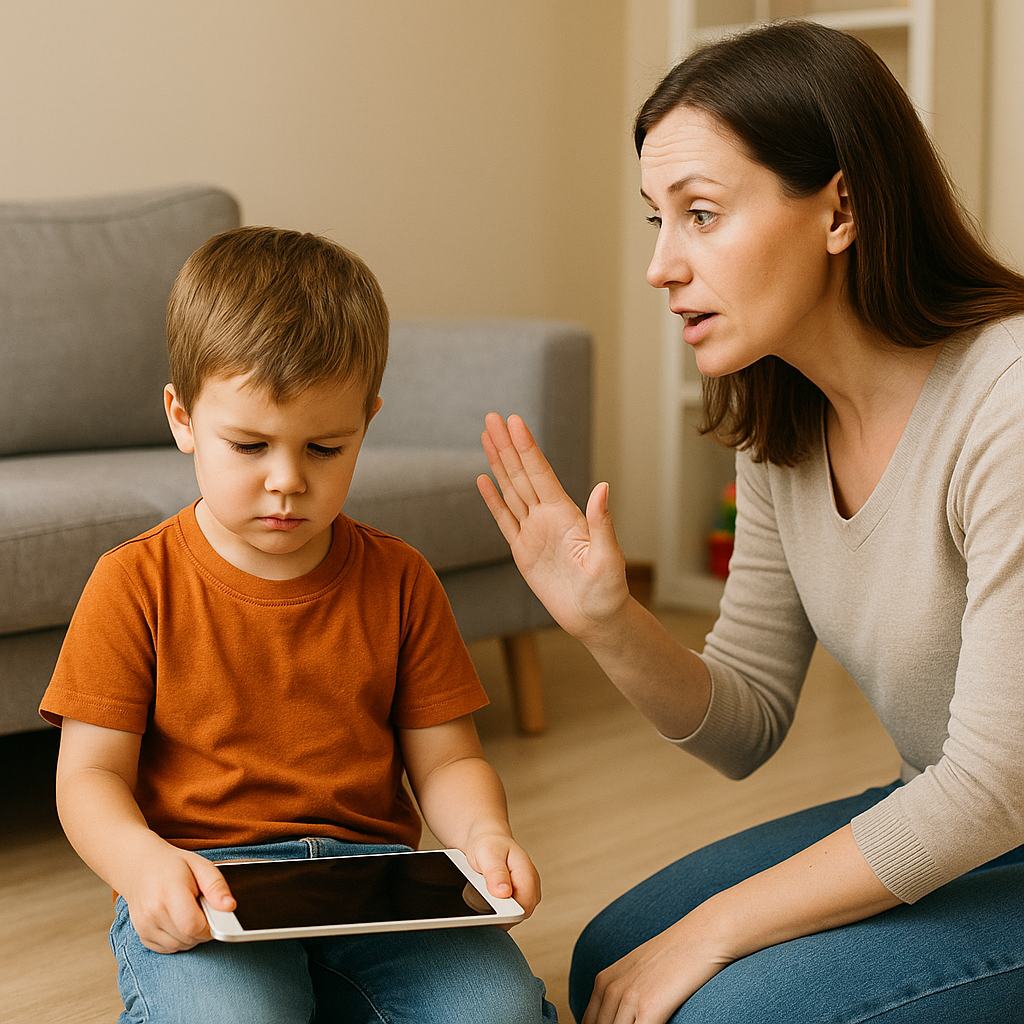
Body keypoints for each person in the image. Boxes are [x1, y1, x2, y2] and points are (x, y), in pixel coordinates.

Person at [478, 19, 1024, 1024]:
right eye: (657, 219)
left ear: (840, 209)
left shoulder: (1008, 402)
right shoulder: (785, 414)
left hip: (997, 818)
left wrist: (715, 927)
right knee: (614, 950)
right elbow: (745, 723)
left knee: (718, 1004)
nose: (661, 266)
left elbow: (993, 787)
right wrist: (606, 618)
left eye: (700, 214)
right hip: (968, 823)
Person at [40, 225, 556, 1023]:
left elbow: (449, 759)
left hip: (375, 879)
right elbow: (89, 778)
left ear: (367, 422)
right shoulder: (132, 581)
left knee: (501, 1013)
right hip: (206, 881)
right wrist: (145, 869)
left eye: (324, 446)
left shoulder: (400, 578)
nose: (287, 482)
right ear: (181, 418)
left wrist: (483, 833)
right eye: (248, 445)